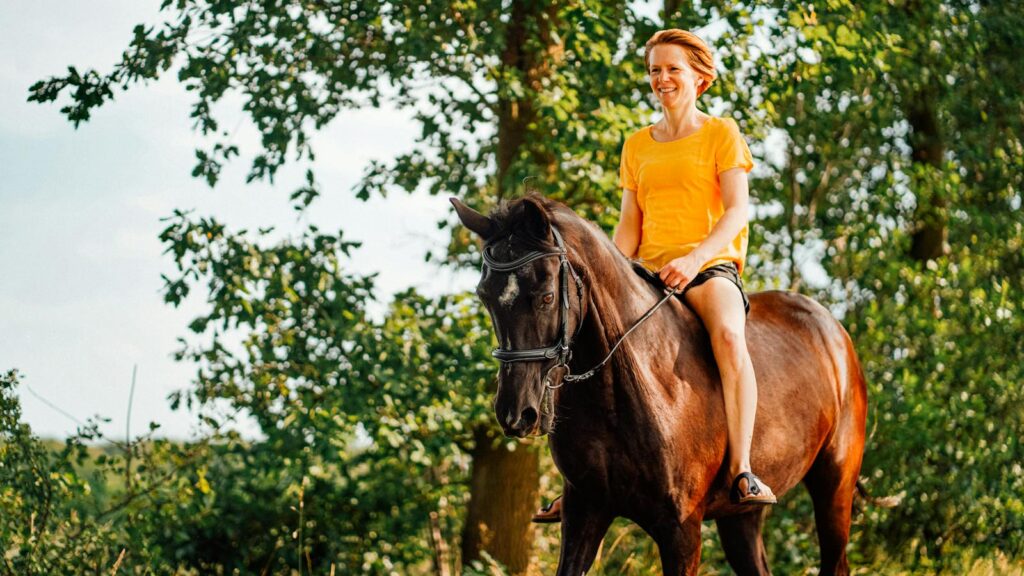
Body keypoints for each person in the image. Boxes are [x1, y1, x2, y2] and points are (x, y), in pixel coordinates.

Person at [532, 28, 776, 524]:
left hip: (707, 268)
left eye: (673, 70)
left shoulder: (721, 133)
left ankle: (743, 470)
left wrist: (694, 260)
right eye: (654, 70)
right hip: (645, 273)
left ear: (699, 79)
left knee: (730, 337)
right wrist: (607, 276)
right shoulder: (636, 144)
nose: (662, 78)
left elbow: (737, 213)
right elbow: (628, 227)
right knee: (578, 344)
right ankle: (575, 482)